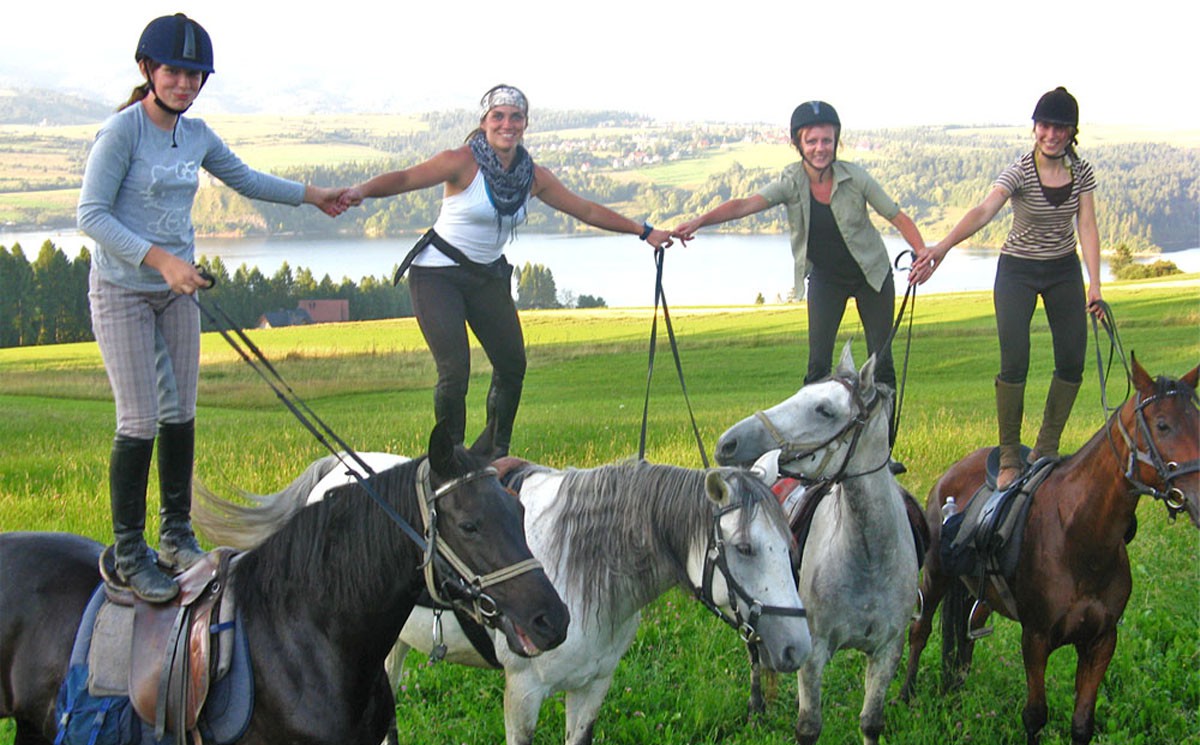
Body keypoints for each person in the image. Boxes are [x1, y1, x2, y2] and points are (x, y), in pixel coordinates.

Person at [78, 13, 344, 602]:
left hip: (177, 291)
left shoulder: (195, 135)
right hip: (123, 290)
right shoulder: (121, 133)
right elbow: (90, 215)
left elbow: (245, 179)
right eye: (173, 72)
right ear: (148, 70)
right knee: (139, 419)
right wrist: (161, 261)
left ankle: (175, 537)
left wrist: (313, 196)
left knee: (180, 412)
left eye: (194, 75)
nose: (184, 84)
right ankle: (129, 553)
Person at [337, 84, 672, 458]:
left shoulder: (534, 177)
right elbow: (404, 179)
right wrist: (362, 190)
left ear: (525, 124)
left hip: (486, 277)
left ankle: (494, 454)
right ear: (484, 122)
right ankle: (449, 459)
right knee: (454, 372)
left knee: (512, 366)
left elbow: (587, 210)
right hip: (437, 275)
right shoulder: (460, 161)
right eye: (498, 116)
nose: (507, 124)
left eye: (516, 117)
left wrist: (644, 231)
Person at [672, 100, 926, 471]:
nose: (820, 148)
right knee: (817, 367)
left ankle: (881, 454)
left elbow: (896, 215)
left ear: (836, 142)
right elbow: (744, 205)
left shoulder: (856, 178)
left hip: (871, 275)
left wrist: (921, 252)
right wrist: (698, 222)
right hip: (826, 278)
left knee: (881, 368)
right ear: (798, 144)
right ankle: (812, 449)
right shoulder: (791, 182)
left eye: (827, 140)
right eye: (812, 141)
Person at [911, 87, 1102, 490]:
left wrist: (1095, 286)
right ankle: (1011, 456)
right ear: (1035, 128)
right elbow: (984, 210)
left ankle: (1046, 448)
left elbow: (1087, 225)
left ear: (1072, 132)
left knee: (1072, 360)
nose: (1052, 134)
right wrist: (942, 248)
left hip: (1063, 270)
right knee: (1015, 361)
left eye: (1061, 127)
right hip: (1018, 271)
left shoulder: (1081, 172)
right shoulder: (1019, 171)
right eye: (1045, 125)